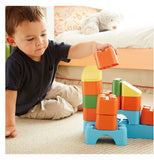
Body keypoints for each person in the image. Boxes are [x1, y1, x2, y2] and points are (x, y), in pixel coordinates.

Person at [5, 6, 118, 138]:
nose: (40, 42)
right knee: (61, 109)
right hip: (26, 105)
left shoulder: (51, 47)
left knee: (77, 95)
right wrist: (9, 124)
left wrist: (94, 46)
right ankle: (75, 107)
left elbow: (74, 50)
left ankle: (78, 103)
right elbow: (9, 96)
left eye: (43, 34)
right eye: (31, 39)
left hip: (46, 87)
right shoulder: (14, 63)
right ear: (12, 41)